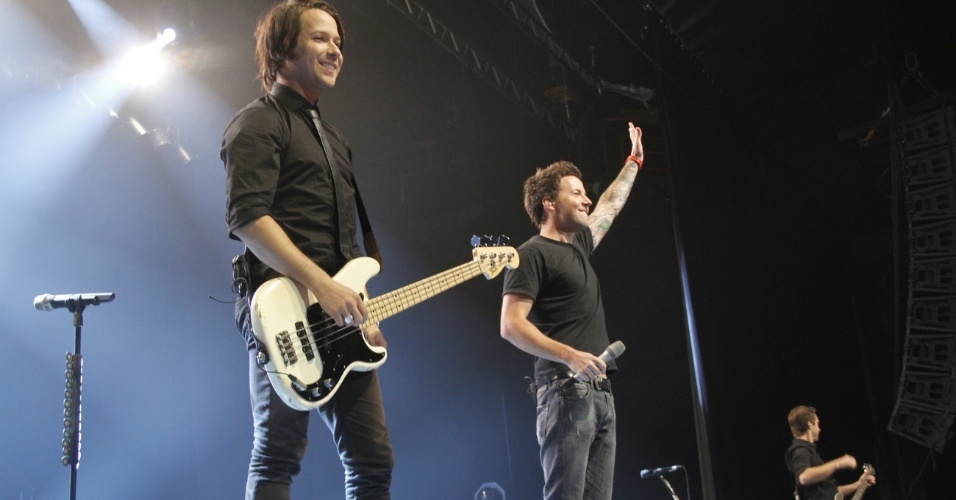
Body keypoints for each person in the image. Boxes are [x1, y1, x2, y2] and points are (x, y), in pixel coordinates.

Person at [221, 1, 393, 498]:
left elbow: (345, 246)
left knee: (373, 460)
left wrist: (360, 310)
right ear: (281, 50)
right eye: (320, 39)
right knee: (278, 454)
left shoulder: (336, 140)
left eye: (337, 41)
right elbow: (248, 218)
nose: (334, 49)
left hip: (339, 316)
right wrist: (321, 285)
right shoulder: (256, 122)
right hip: (281, 309)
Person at [499, 122, 645, 500]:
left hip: (600, 396)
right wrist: (571, 356)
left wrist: (633, 161)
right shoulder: (531, 253)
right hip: (565, 394)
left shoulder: (579, 245)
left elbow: (611, 203)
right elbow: (511, 325)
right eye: (576, 193)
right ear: (550, 203)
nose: (586, 200)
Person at [785, 406, 876, 500]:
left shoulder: (809, 453)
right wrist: (839, 463)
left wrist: (859, 484)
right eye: (817, 424)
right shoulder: (800, 450)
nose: (819, 429)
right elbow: (804, 477)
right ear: (810, 425)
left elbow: (831, 493)